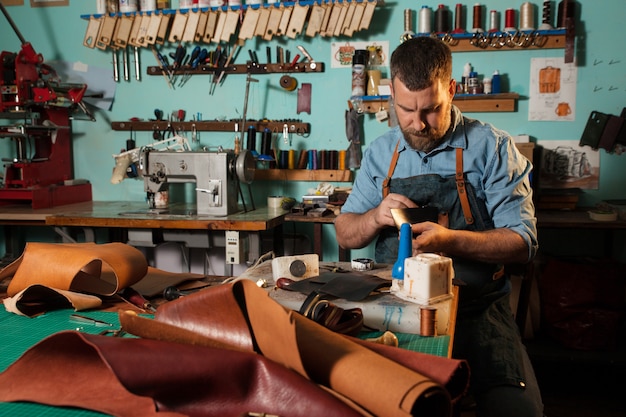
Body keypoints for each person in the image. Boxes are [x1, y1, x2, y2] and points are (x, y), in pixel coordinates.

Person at [335, 36, 543, 417]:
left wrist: (450, 242)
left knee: (517, 410)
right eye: (405, 110)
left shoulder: (492, 148)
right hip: (392, 308)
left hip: (476, 309)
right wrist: (374, 216)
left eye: (430, 110)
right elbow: (345, 232)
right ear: (391, 97)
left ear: (451, 90)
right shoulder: (381, 154)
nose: (417, 123)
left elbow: (522, 242)